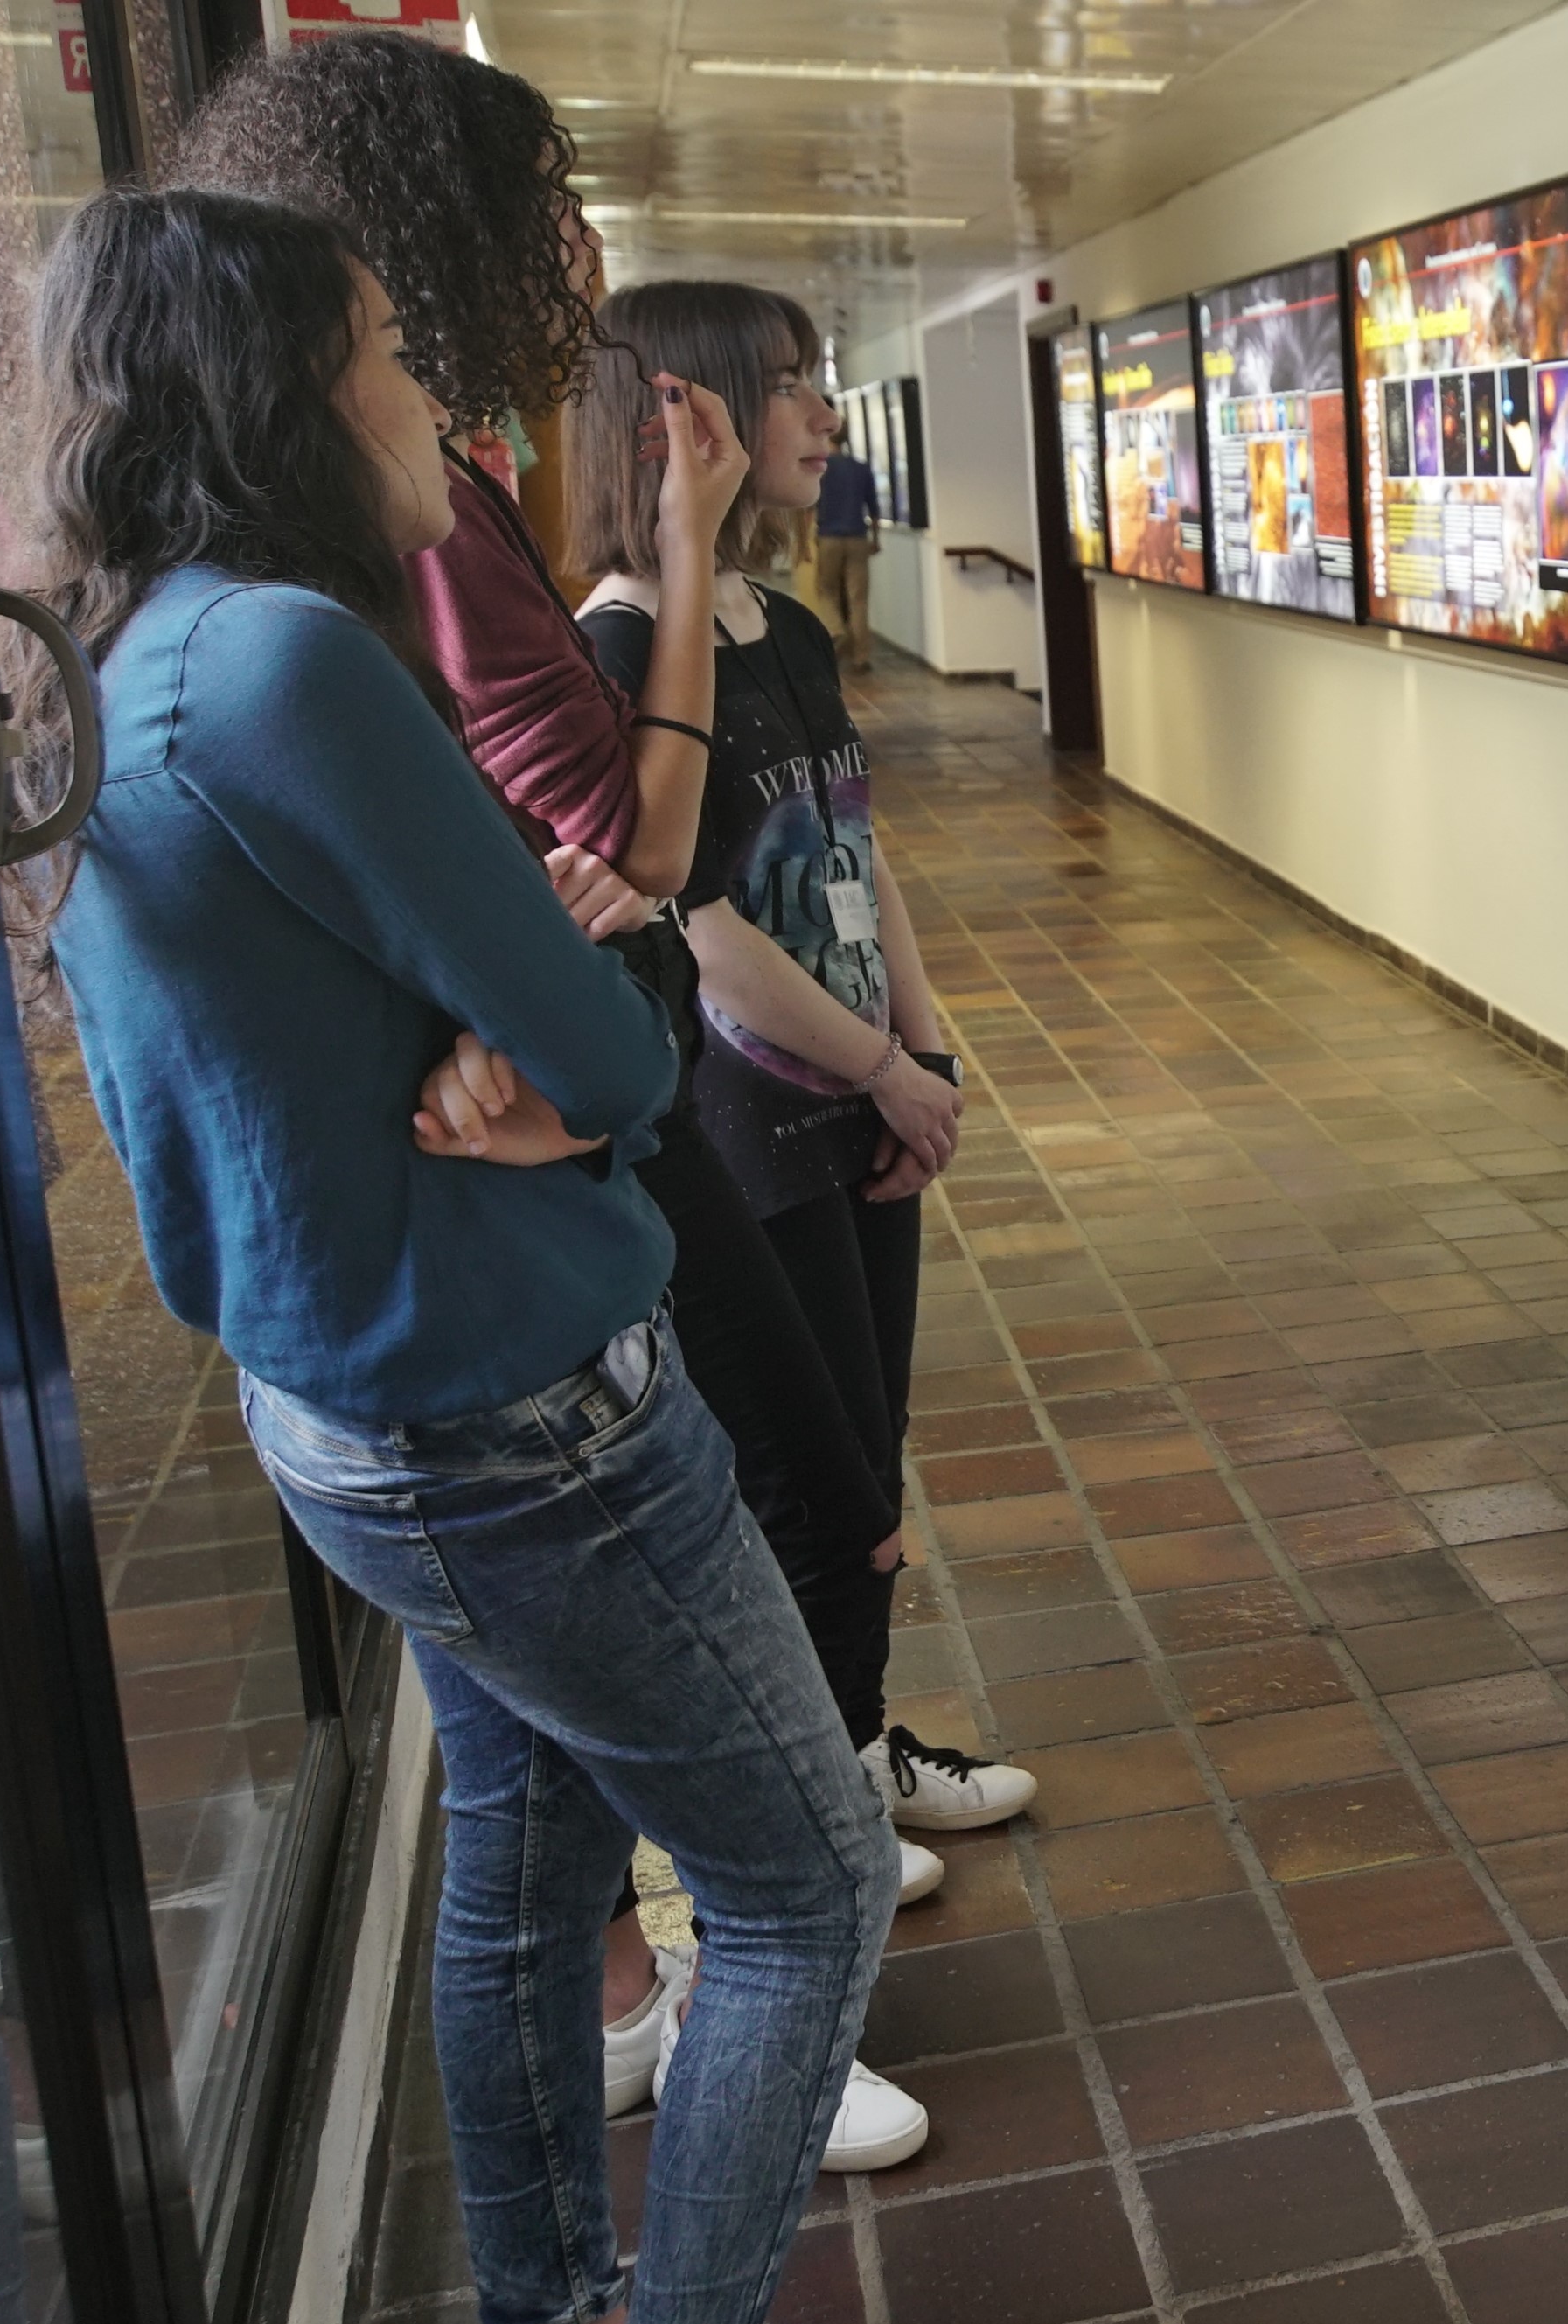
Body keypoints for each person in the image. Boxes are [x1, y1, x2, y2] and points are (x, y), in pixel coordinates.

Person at [30, 184, 889, 2324]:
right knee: (807, 1890)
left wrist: (533, 1008)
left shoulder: (131, 655)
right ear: (285, 393)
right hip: (520, 1414)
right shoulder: (287, 656)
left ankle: (551, 2291)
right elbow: (612, 1042)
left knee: (519, 1856)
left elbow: (451, 1009)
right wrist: (564, 1010)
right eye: (395, 354)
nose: (440, 403)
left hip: (353, 1402)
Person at [164, 31, 1005, 2172]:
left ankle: (615, 2103)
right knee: (770, 1600)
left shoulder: (337, 563)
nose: (578, 254)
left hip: (492, 1226)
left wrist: (557, 973)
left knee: (533, 1779)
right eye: (541, 217)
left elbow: (587, 888)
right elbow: (631, 882)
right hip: (489, 1271)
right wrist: (546, 989)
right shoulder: (313, 608)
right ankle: (745, 1960)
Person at [567, 278, 1020, 1871]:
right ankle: (818, 1802)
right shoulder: (622, 644)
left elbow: (855, 848)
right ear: (685, 409)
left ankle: (859, 1744)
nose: (825, 415)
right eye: (790, 384)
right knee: (806, 1481)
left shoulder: (790, 624)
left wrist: (924, 1048)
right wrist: (885, 1068)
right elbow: (701, 931)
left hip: (861, 1094)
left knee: (868, 1451)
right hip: (748, 1124)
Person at [809, 448, 877, 671]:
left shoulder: (822, 468)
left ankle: (836, 629)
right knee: (858, 598)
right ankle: (861, 657)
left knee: (826, 589)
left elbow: (811, 504)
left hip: (829, 537)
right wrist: (875, 539)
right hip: (858, 538)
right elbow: (873, 507)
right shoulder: (861, 468)